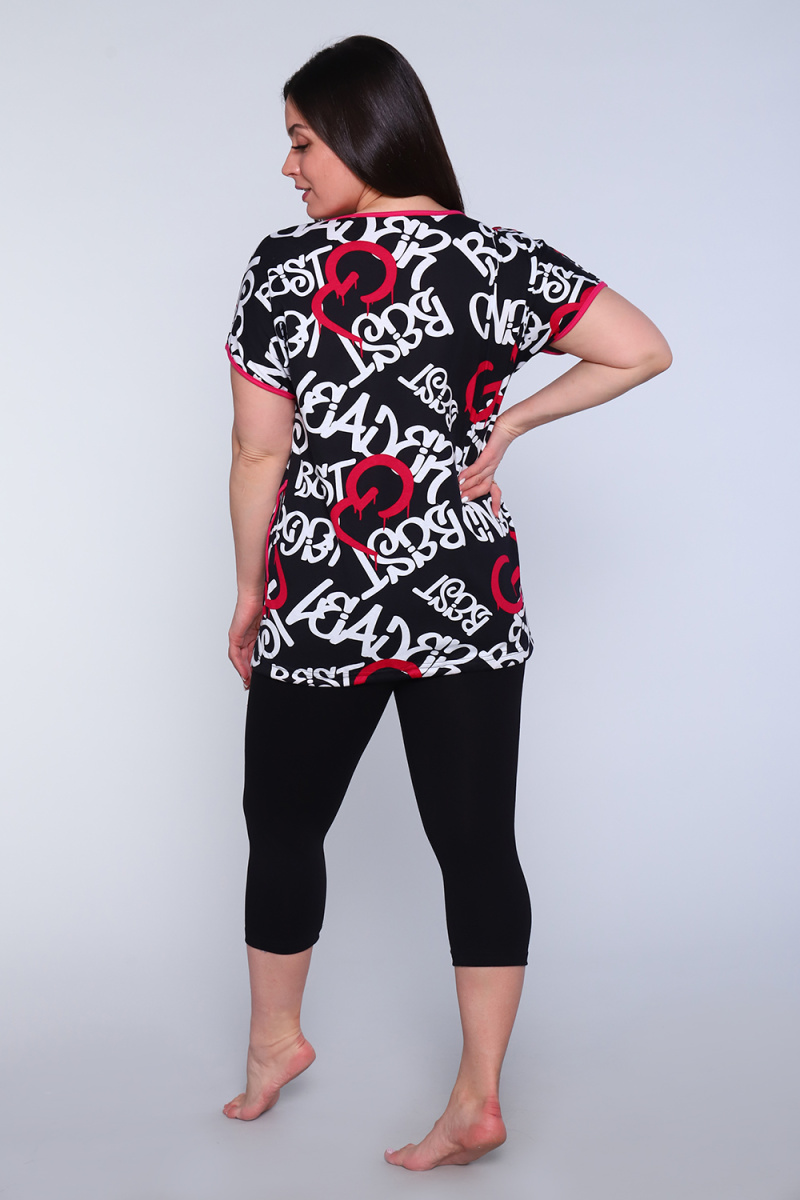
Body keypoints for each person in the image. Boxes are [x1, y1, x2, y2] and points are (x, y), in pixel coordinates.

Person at [221, 35, 672, 1171]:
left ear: (360, 132)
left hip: (324, 593)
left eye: (301, 140)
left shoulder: (287, 267)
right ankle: (478, 1097)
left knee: (282, 823)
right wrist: (506, 422)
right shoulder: (498, 258)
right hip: (466, 593)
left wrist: (248, 591)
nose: (289, 168)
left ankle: (274, 1042)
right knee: (476, 844)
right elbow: (639, 349)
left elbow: (257, 449)